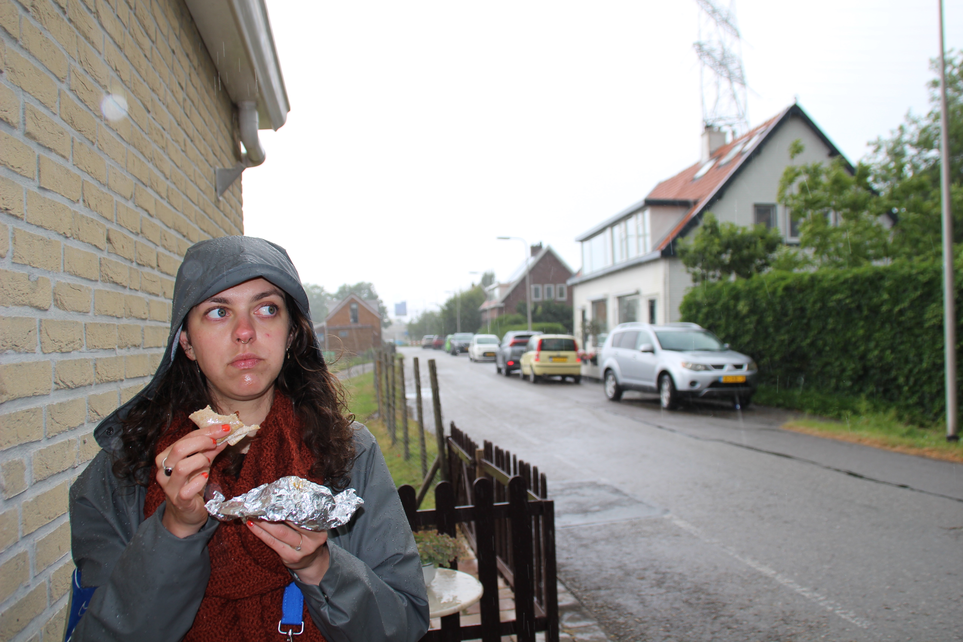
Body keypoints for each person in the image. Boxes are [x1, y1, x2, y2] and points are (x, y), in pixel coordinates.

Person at [67, 236, 429, 642]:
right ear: (186, 342)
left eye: (267, 309)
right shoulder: (121, 473)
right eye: (218, 311)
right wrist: (176, 530)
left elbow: (404, 625)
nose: (244, 332)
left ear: (291, 334)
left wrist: (320, 567)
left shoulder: (350, 452)